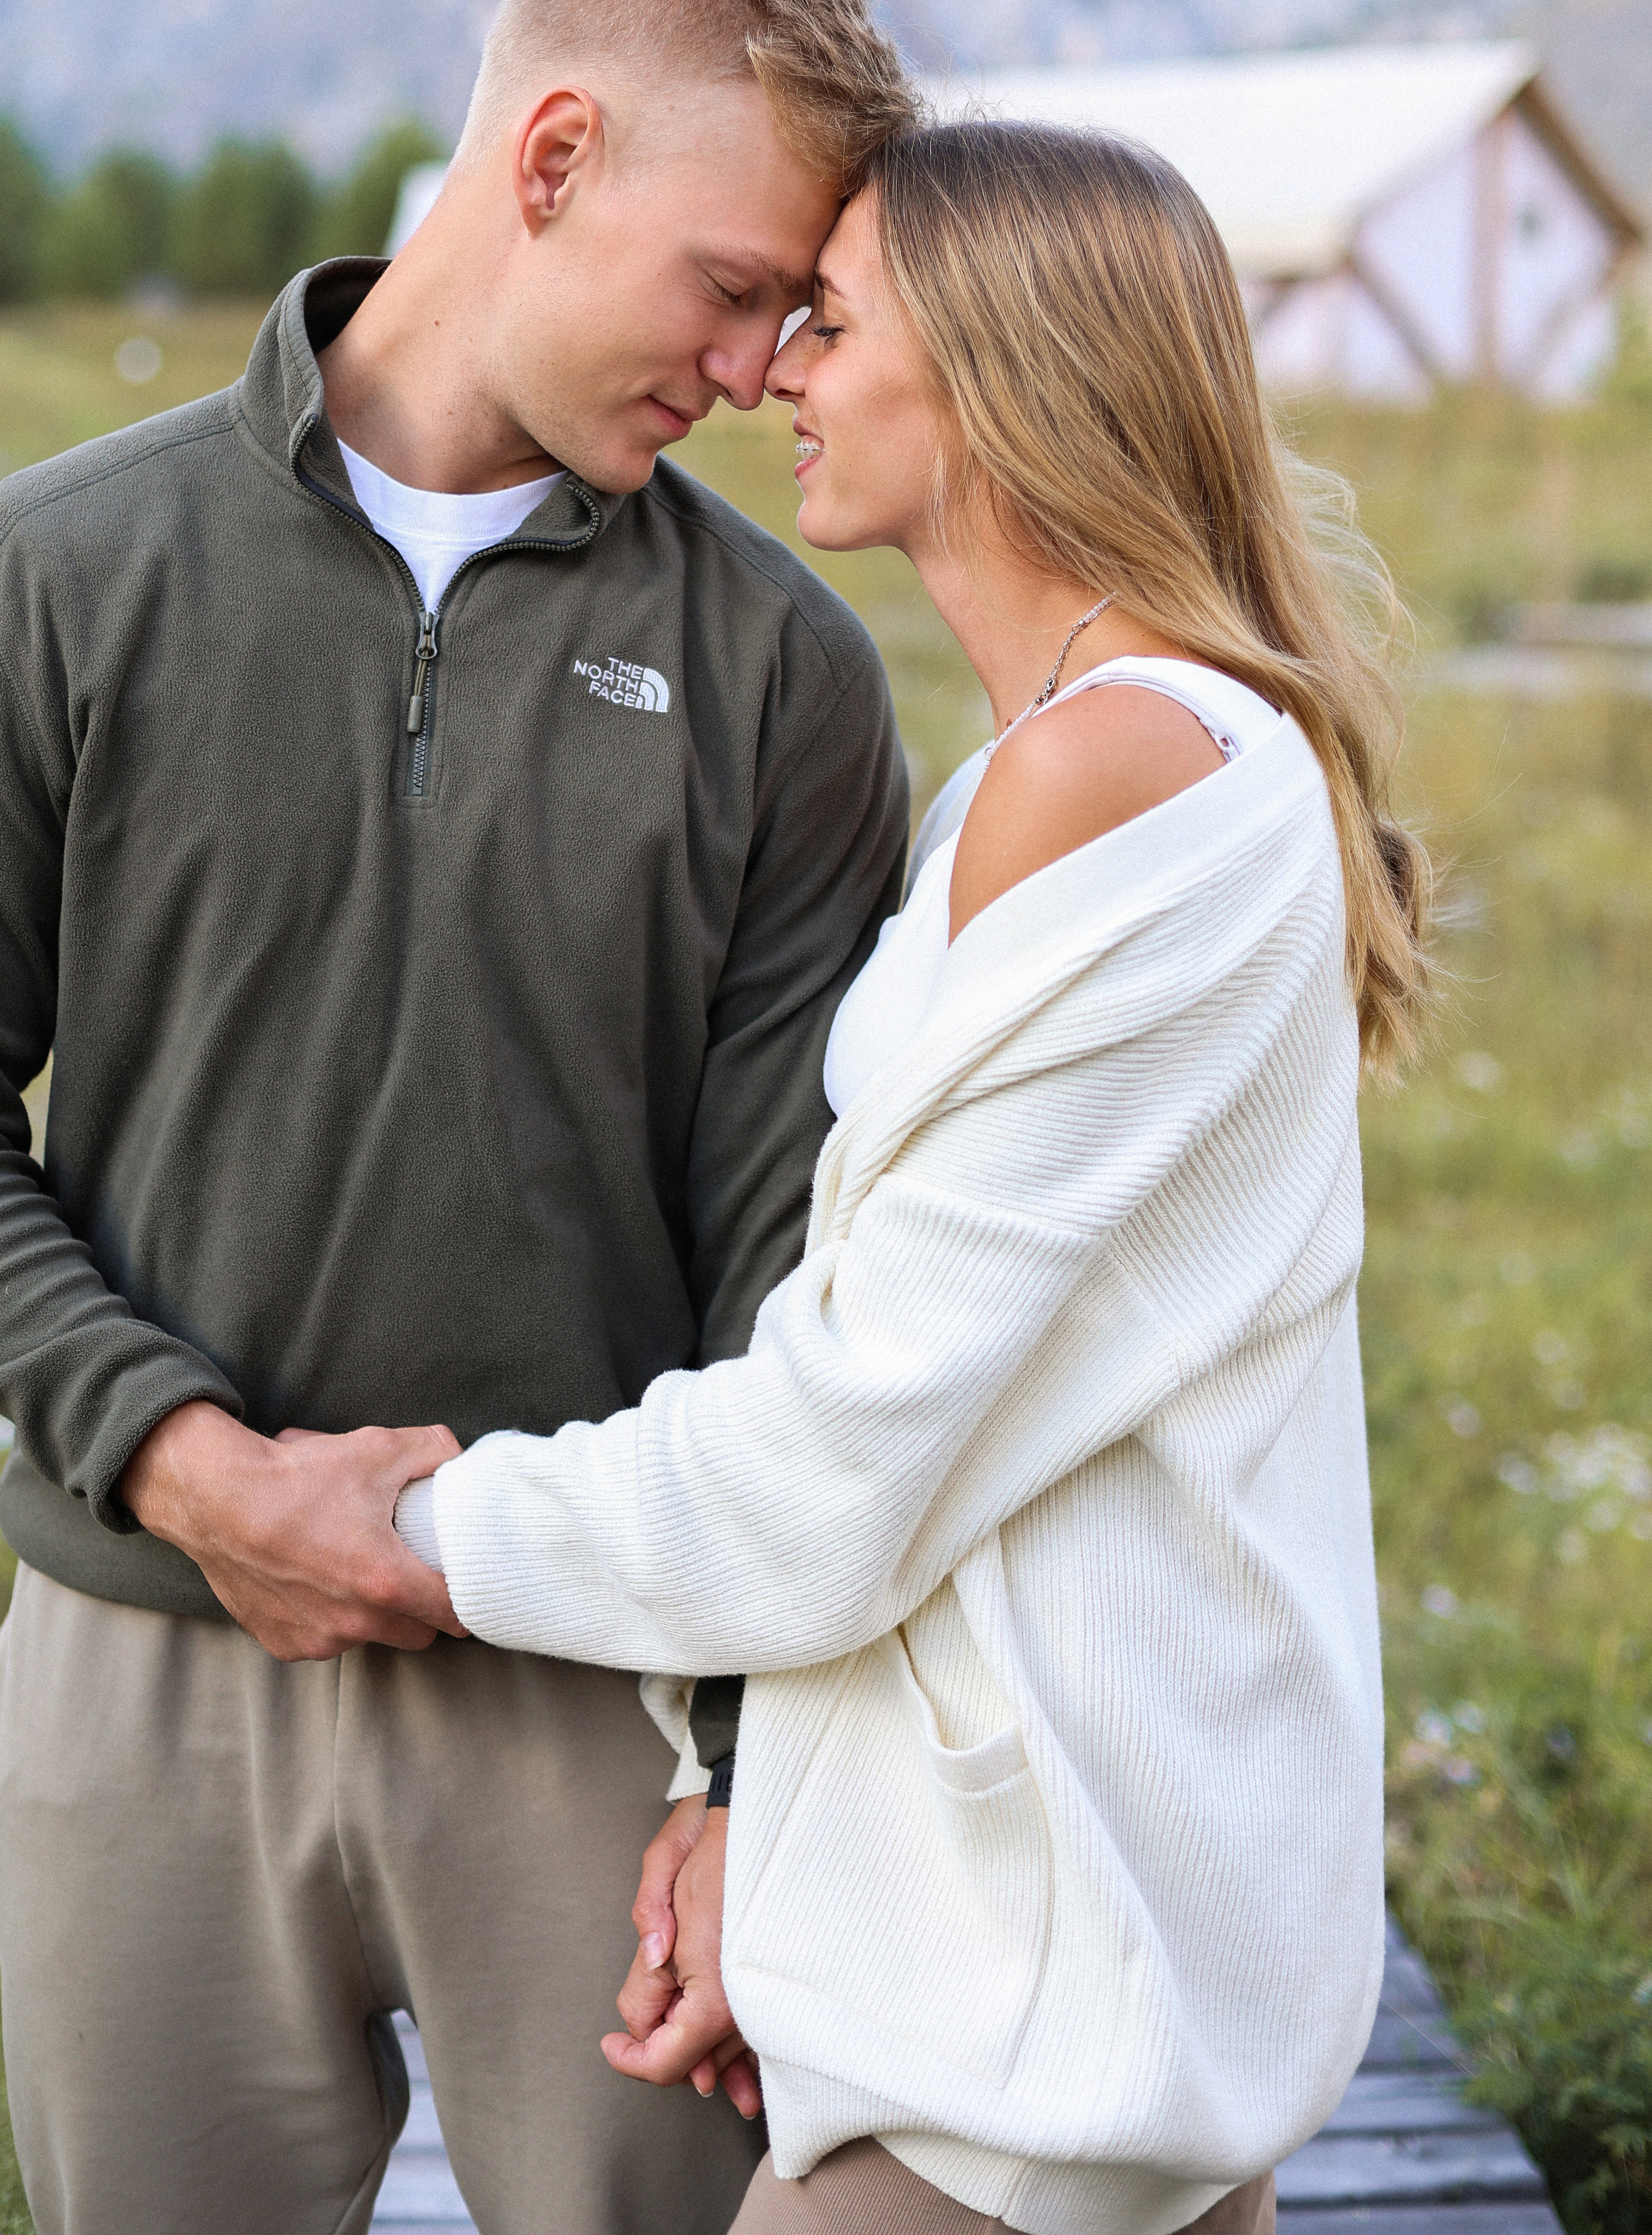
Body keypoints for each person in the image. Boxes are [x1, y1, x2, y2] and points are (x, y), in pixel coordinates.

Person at [0, 0, 917, 2235]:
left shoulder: (787, 680)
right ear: (548, 157)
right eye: (732, 283)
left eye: (794, 316)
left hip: (594, 1708)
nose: (750, 368)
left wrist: (742, 1768)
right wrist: (195, 1470)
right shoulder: (62, 569)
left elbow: (782, 1257)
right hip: (139, 1674)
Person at [401, 119, 1433, 2234]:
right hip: (1076, 1961)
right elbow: (972, 1405)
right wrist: (749, 1814)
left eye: (833, 320)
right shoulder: (1098, 759)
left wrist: (412, 1530)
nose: (777, 363)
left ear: (1001, 371)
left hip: (1033, 2027)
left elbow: (841, 1453)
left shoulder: (1119, 771)